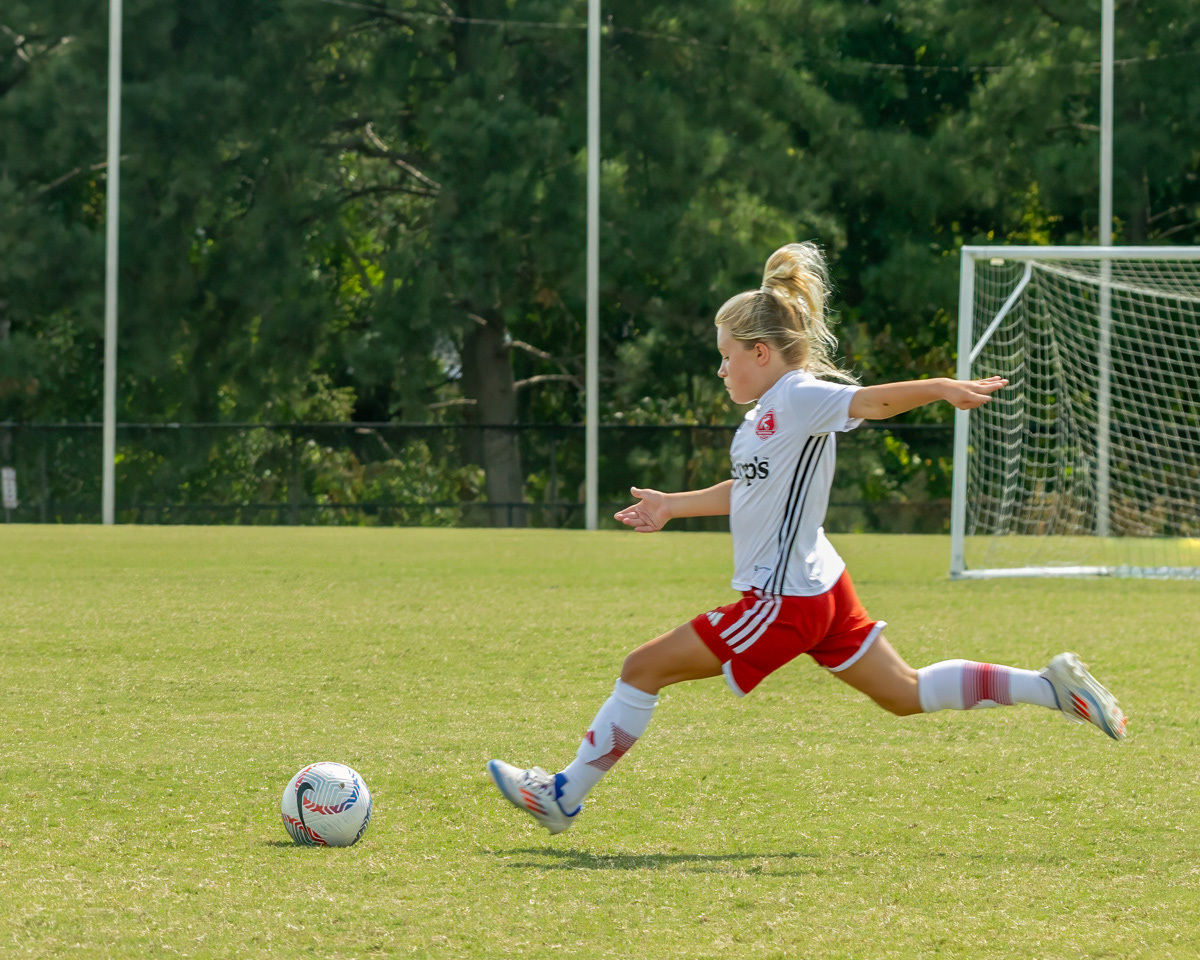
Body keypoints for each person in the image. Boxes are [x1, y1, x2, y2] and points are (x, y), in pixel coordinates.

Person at [487, 241, 1127, 836]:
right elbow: (750, 489)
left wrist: (938, 388)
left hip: (785, 598)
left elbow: (870, 403)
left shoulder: (796, 396)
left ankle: (563, 795)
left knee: (641, 668)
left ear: (760, 352)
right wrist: (673, 507)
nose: (720, 369)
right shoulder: (771, 415)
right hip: (821, 585)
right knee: (904, 693)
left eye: (726, 354)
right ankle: (1050, 687)